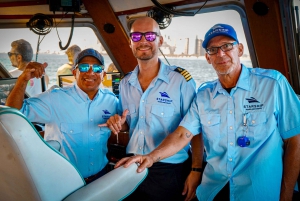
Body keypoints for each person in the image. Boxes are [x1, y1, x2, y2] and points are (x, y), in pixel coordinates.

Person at [114, 23, 300, 201]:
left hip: (259, 191)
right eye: (213, 50)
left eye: (227, 46)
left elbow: (295, 139)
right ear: (208, 58)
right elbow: (182, 134)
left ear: (240, 50)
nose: (220, 53)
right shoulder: (204, 95)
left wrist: (286, 196)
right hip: (215, 189)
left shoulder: (272, 84)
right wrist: (150, 157)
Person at [99, 17, 203, 201]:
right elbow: (128, 125)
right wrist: (118, 124)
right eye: (137, 36)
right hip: (131, 165)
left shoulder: (180, 81)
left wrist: (196, 170)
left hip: (169, 169)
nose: (143, 41)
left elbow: (195, 130)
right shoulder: (125, 83)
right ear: (131, 42)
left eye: (150, 35)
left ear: (160, 40)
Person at [5, 48, 119, 184]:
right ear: (74, 72)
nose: (90, 72)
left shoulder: (112, 101)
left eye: (97, 68)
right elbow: (13, 112)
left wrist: (119, 122)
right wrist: (23, 79)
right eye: (83, 67)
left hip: (100, 177)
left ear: (104, 74)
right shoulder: (54, 98)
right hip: (64, 181)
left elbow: (122, 122)